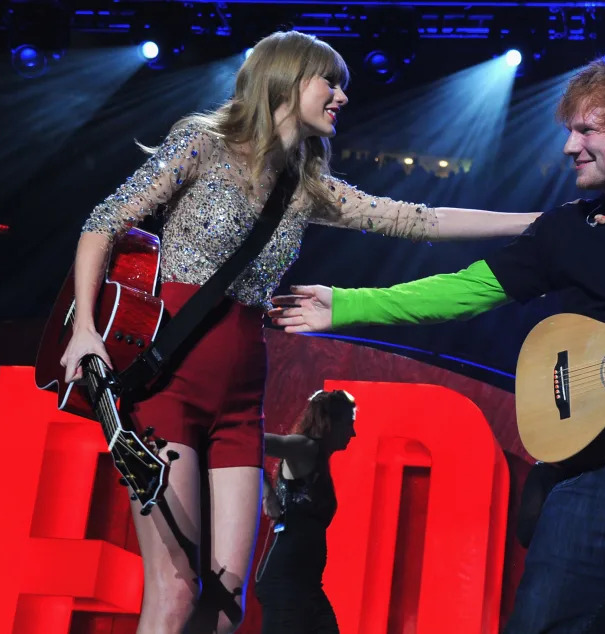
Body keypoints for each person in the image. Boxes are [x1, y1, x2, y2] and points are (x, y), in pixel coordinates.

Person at [269, 56, 605, 632]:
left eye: (586, 130)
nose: (570, 147)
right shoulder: (565, 227)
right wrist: (347, 304)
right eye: (569, 131)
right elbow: (465, 290)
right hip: (581, 476)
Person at [58, 30, 539, 634]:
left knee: (228, 603)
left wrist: (539, 223)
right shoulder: (202, 144)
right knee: (176, 588)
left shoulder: (307, 184)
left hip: (240, 395)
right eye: (329, 81)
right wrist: (86, 333)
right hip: (168, 380)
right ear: (286, 78)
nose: (341, 96)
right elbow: (104, 220)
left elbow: (421, 219)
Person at [254, 389, 357, 633]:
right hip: (286, 585)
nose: (353, 433)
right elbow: (253, 441)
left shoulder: (319, 457)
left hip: (306, 586)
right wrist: (267, 493)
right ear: (332, 422)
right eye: (349, 424)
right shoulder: (305, 447)